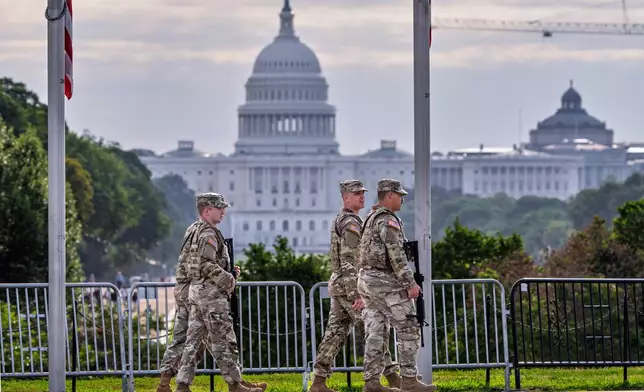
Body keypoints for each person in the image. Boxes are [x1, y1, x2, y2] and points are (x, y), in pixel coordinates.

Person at [309, 180, 402, 392]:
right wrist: (356, 294)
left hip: (341, 286)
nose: (361, 196)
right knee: (375, 330)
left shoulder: (348, 220)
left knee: (334, 334)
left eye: (362, 192)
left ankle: (318, 382)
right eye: (356, 193)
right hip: (351, 288)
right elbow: (349, 260)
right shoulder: (350, 223)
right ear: (345, 197)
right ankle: (388, 378)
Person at [174, 193, 267, 392]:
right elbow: (207, 263)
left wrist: (227, 272)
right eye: (220, 208)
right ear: (207, 210)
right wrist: (229, 280)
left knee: (193, 342)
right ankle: (235, 385)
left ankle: (182, 385)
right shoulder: (208, 233)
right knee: (225, 339)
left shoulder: (196, 230)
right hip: (211, 296)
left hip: (197, 292)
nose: (224, 211)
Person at [357, 179, 436, 392]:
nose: (402, 199)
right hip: (385, 282)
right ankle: (409, 381)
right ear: (390, 195)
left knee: (376, 331)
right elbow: (396, 255)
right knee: (409, 327)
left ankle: (372, 383)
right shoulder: (387, 221)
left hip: (367, 281)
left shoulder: (371, 217)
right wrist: (410, 283)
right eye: (400, 195)